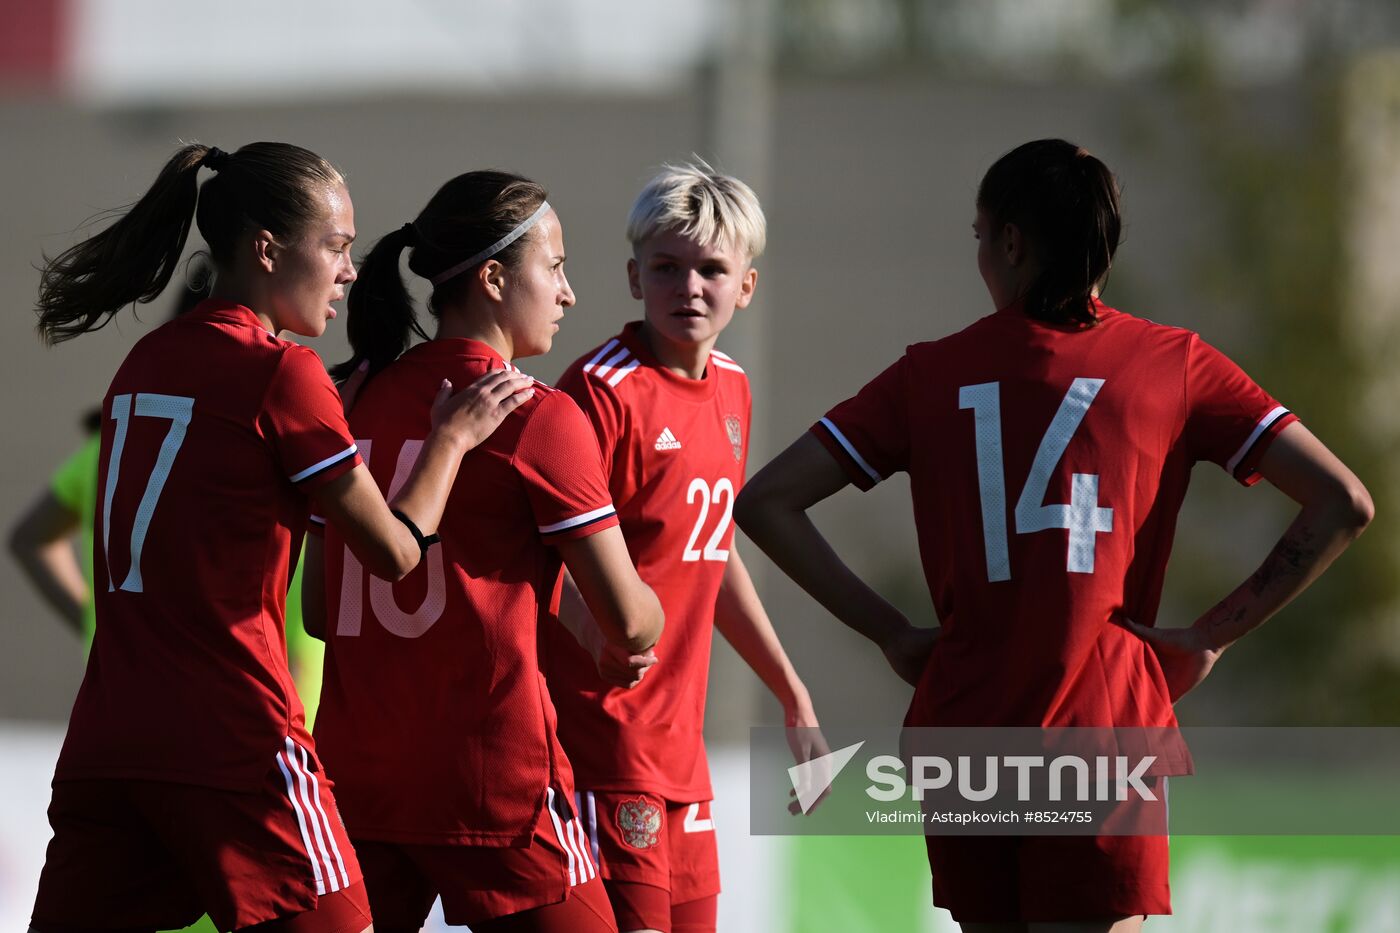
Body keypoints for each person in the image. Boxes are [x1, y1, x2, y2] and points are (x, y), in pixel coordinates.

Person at [733, 139, 1373, 932]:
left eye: (979, 236)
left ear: (1011, 242)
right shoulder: (1173, 363)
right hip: (1102, 729)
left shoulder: (929, 373)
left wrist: (891, 632)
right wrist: (1214, 634)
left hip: (968, 730)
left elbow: (766, 503)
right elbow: (1341, 500)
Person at [29, 141, 532, 933]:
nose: (351, 271)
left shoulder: (144, 358)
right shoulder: (279, 372)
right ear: (266, 249)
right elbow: (397, 553)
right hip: (234, 741)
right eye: (335, 246)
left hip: (110, 741)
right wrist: (452, 440)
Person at [306, 170, 663, 933]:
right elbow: (632, 624)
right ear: (495, 277)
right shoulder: (538, 416)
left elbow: (317, 606)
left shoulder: (353, 395)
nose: (569, 293)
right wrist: (654, 603)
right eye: (557, 266)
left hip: (362, 782)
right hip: (493, 791)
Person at [539, 162, 825, 933]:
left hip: (682, 748)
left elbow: (708, 551)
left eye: (711, 269)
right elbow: (540, 562)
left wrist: (790, 692)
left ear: (747, 286)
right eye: (667, 267)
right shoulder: (598, 391)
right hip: (604, 735)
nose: (689, 287)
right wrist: (598, 634)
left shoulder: (733, 387)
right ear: (634, 277)